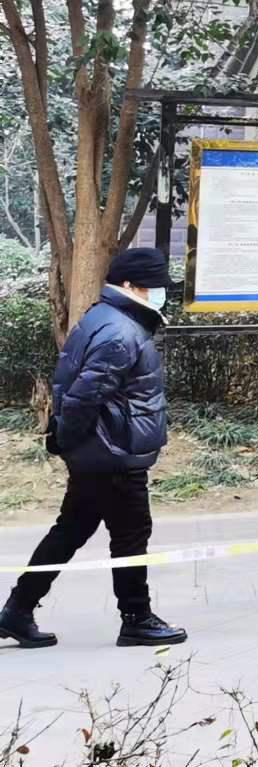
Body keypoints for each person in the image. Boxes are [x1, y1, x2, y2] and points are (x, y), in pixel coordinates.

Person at [0, 248, 187, 649]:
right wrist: (67, 437)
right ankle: (136, 618)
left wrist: (70, 439)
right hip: (113, 453)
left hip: (100, 449)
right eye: (154, 287)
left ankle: (17, 610)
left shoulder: (106, 318)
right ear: (129, 286)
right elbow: (85, 395)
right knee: (131, 534)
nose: (160, 294)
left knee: (71, 530)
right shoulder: (121, 332)